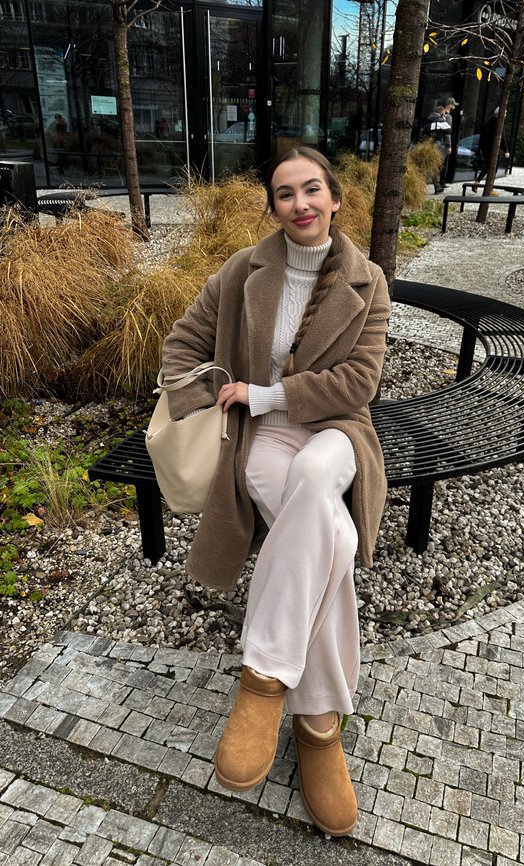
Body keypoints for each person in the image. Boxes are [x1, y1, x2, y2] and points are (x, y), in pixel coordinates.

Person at [160, 146, 391, 836]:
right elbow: (180, 347)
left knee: (319, 480)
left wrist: (264, 393)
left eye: (312, 189)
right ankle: (319, 725)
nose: (301, 204)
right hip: (260, 443)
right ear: (274, 207)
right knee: (333, 538)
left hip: (335, 432)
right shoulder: (241, 272)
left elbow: (359, 385)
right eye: (285, 194)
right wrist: (219, 397)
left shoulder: (368, 280)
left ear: (336, 197)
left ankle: (263, 678)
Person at [472, 107, 510, 190]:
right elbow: (502, 138)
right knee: (493, 168)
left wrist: (482, 148)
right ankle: (487, 187)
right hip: (494, 149)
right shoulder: (499, 124)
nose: (506, 115)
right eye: (505, 113)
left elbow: (483, 137)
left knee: (488, 167)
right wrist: (506, 150)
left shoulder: (488, 123)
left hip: (486, 149)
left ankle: (478, 182)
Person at [421, 104, 451, 193]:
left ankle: (427, 186)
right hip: (437, 146)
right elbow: (448, 133)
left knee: (426, 166)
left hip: (426, 145)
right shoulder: (441, 120)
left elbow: (423, 131)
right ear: (442, 112)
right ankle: (437, 186)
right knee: (434, 166)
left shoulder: (429, 119)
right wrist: (448, 146)